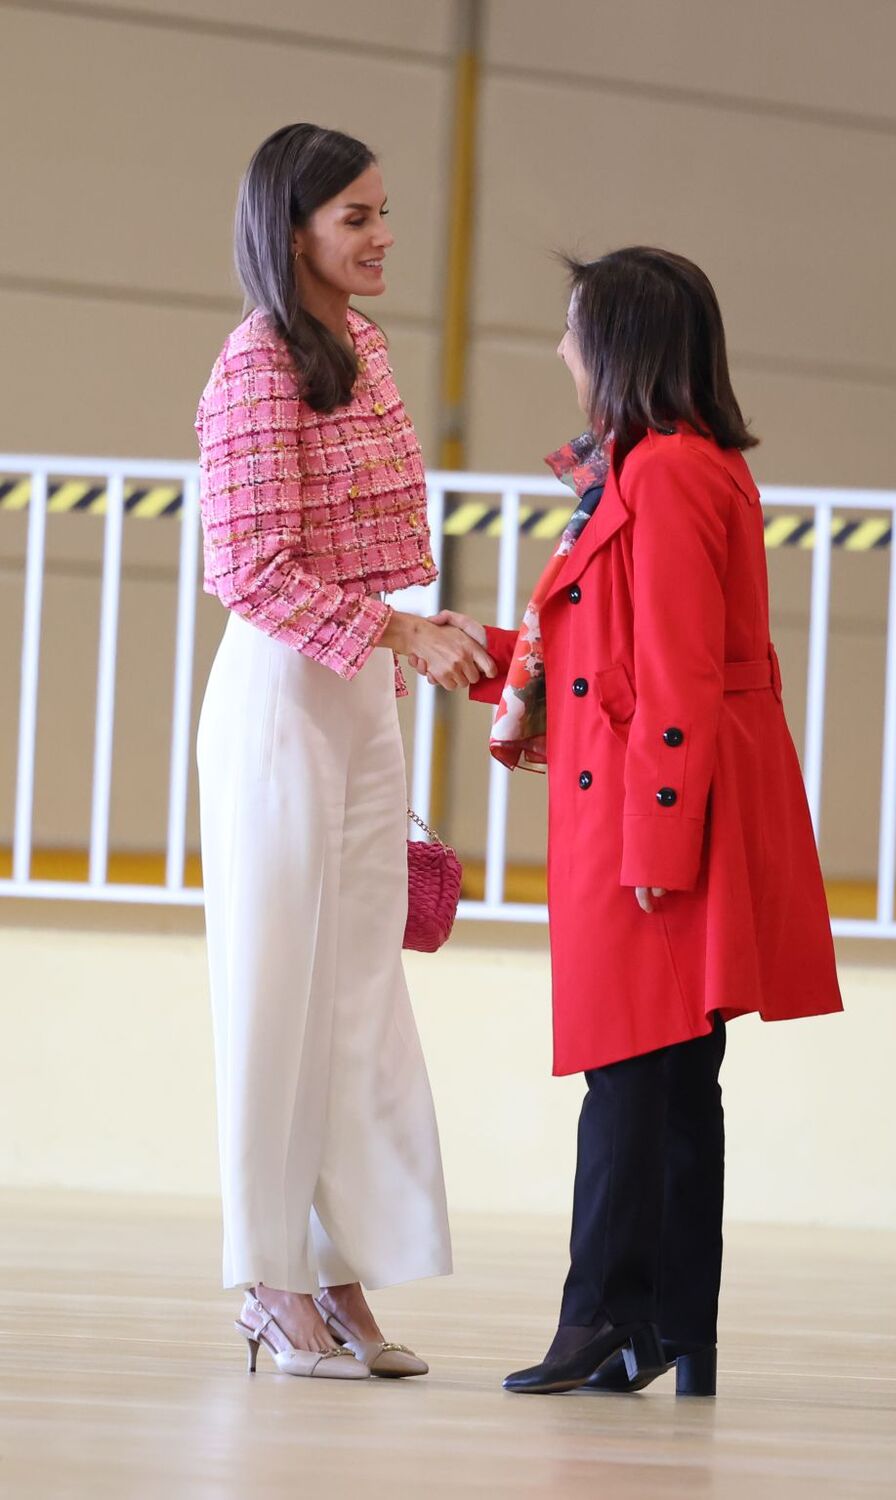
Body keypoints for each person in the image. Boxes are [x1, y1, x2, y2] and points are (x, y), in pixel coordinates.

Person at [417, 247, 843, 1396]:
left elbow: (678, 673)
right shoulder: (659, 469)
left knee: (633, 1072)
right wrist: (492, 655)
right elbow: (617, 654)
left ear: (617, 345)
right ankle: (668, 1328)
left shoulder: (664, 475)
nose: (560, 349)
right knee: (669, 1076)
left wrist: (660, 838)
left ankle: (603, 1314)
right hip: (667, 789)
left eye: (572, 328)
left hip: (662, 805)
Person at [195, 123, 494, 1381]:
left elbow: (371, 542)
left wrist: (423, 633)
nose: (381, 238)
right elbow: (247, 570)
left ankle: (337, 1266)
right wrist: (398, 631)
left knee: (360, 993)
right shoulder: (254, 363)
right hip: (281, 696)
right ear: (294, 225)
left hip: (359, 688)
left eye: (384, 213)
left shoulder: (360, 347)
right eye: (356, 217)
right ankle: (269, 1280)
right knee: (278, 994)